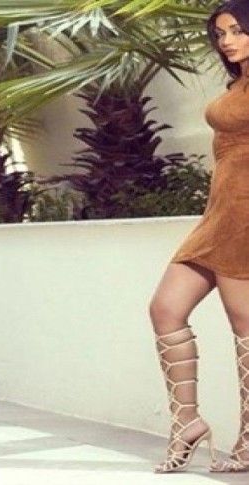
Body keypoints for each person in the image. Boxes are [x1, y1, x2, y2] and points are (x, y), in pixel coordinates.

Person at [149, 0, 249, 474]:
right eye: (220, 33)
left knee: (244, 327)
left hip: (245, 217)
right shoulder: (238, 86)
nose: (227, 41)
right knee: (165, 308)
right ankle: (186, 421)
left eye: (237, 30)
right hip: (218, 216)